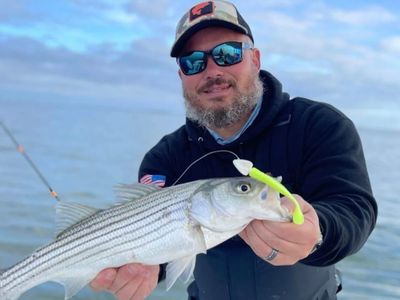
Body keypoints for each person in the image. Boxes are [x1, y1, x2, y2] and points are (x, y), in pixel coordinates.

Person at [90, 1, 377, 299]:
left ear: (255, 59)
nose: (212, 70)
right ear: (181, 76)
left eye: (228, 54)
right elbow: (163, 241)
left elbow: (353, 208)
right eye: (193, 61)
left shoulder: (318, 125)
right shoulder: (165, 157)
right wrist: (141, 266)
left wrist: (318, 232)